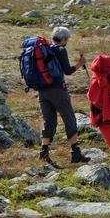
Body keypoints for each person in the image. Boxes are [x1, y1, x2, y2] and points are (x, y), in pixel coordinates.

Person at [38, 27, 89, 165]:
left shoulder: (44, 49)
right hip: (57, 90)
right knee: (69, 118)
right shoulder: (60, 50)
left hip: (42, 90)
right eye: (68, 39)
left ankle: (44, 151)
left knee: (49, 120)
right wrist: (80, 64)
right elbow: (67, 71)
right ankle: (75, 152)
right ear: (65, 39)